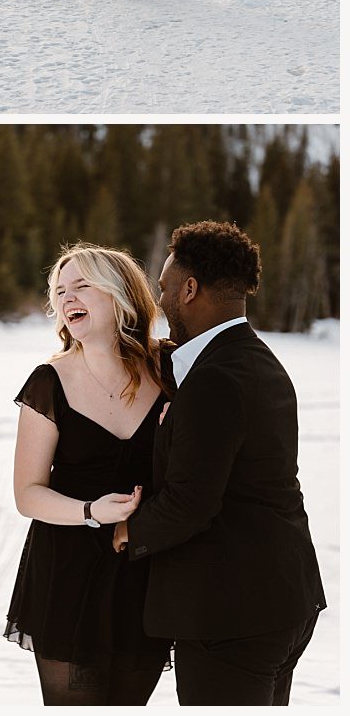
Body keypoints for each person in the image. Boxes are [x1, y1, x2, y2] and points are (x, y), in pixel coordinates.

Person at [114, 222, 325, 706]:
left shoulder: (215, 380)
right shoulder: (256, 359)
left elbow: (191, 503)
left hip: (231, 614)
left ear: (190, 290)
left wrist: (128, 531)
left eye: (165, 287)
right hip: (283, 597)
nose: (161, 300)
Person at [6, 244, 172, 706]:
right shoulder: (49, 381)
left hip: (145, 570)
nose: (66, 297)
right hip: (68, 572)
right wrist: (90, 511)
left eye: (82, 285)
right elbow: (27, 494)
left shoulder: (168, 368)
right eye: (59, 291)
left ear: (121, 294)